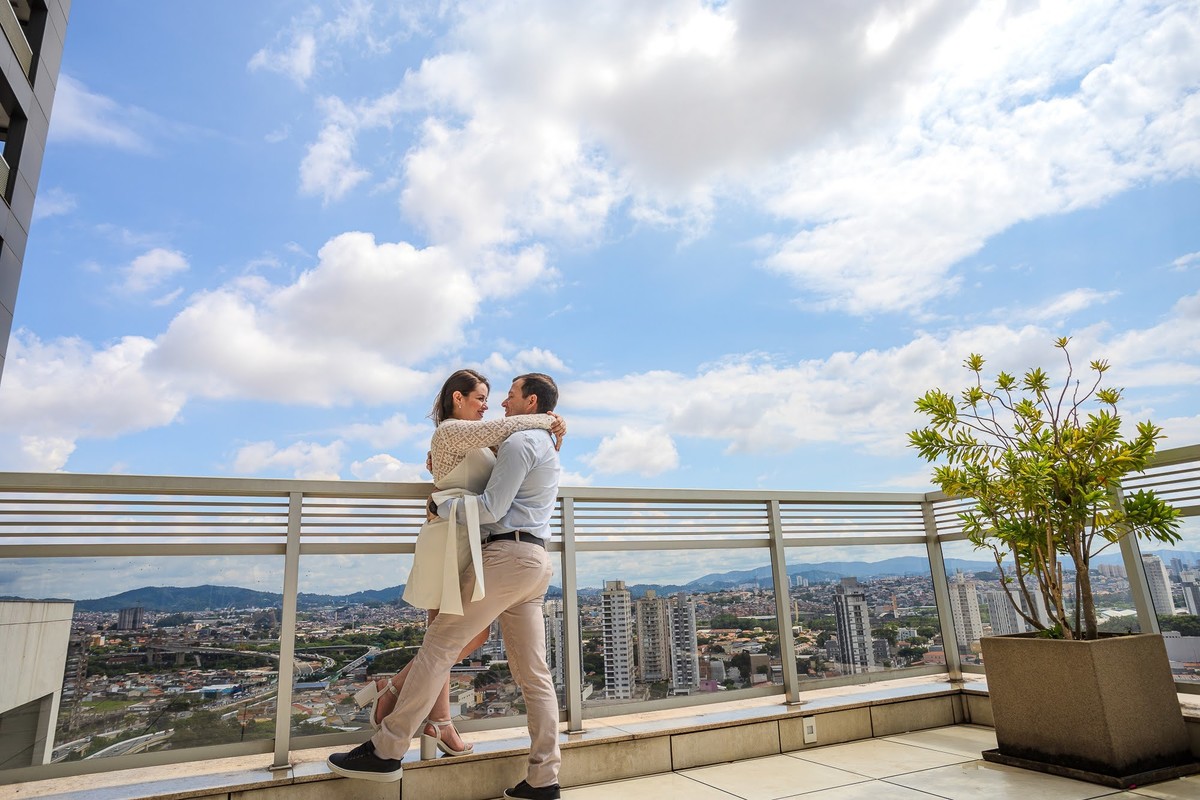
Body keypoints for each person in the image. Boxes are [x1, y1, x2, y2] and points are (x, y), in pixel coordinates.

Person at [329, 373, 565, 800]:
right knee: (535, 675)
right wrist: (550, 423)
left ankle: (386, 749)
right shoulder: (541, 443)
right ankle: (544, 779)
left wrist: (440, 503)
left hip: (506, 556)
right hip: (536, 561)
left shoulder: (519, 441)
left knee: (438, 646)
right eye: (490, 397)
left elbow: (492, 508)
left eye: (510, 396)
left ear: (530, 402)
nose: (501, 404)